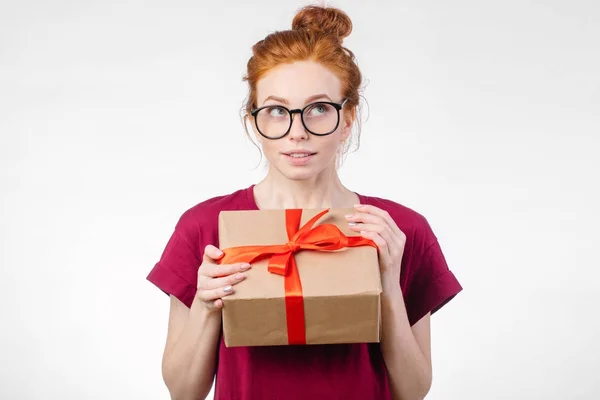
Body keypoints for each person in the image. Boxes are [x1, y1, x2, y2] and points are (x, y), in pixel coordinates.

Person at [146, 5, 462, 400]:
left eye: (318, 109)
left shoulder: (396, 230)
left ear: (347, 120)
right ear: (253, 121)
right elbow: (182, 391)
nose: (298, 131)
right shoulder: (207, 227)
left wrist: (388, 285)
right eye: (278, 111)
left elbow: (413, 391)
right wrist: (206, 308)